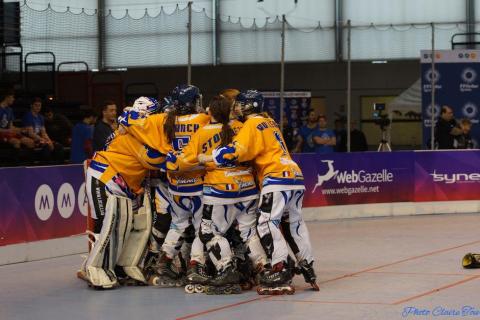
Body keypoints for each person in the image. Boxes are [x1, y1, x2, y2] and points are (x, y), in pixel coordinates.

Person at [213, 90, 318, 295]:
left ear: (248, 106)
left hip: (275, 177)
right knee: (295, 223)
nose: (237, 108)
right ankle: (308, 265)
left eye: (240, 105)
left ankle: (279, 267)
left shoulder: (252, 123)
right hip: (295, 176)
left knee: (267, 222)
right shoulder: (270, 122)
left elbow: (239, 150)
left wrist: (215, 155)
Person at [167, 95, 267, 294]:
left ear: (210, 112)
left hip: (219, 188)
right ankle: (263, 269)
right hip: (247, 187)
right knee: (248, 232)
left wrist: (172, 161)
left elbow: (182, 162)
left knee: (209, 232)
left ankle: (225, 269)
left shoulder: (202, 133)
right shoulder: (241, 126)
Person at [119, 85, 210, 290]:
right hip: (197, 183)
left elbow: (126, 117)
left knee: (177, 224)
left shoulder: (163, 120)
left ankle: (164, 263)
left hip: (175, 184)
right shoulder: (203, 119)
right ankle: (196, 266)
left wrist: (129, 112)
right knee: (200, 227)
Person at [81, 96, 168, 289]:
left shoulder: (133, 127)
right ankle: (95, 267)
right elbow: (154, 159)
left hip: (126, 182)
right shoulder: (133, 133)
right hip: (105, 176)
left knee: (134, 225)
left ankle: (122, 266)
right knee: (108, 224)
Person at [23, 98, 64, 164]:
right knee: (46, 147)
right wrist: (45, 141)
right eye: (36, 105)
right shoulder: (28, 116)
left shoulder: (40, 117)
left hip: (40, 139)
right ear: (31, 106)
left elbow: (43, 132)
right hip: (32, 139)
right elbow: (31, 134)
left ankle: (58, 167)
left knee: (59, 146)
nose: (38, 107)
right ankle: (45, 166)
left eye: (39, 105)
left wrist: (49, 141)